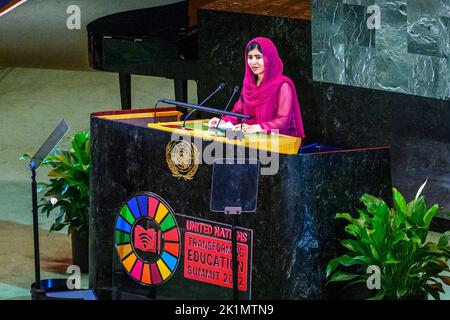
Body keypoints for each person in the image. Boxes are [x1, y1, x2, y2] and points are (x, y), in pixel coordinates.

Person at [208, 37, 305, 138]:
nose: (253, 62)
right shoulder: (249, 85)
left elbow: (283, 121)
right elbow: (238, 113)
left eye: (258, 57)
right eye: (250, 57)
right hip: (251, 142)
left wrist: (257, 127)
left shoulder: (283, 85)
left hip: (279, 144)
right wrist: (223, 121)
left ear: (270, 58)